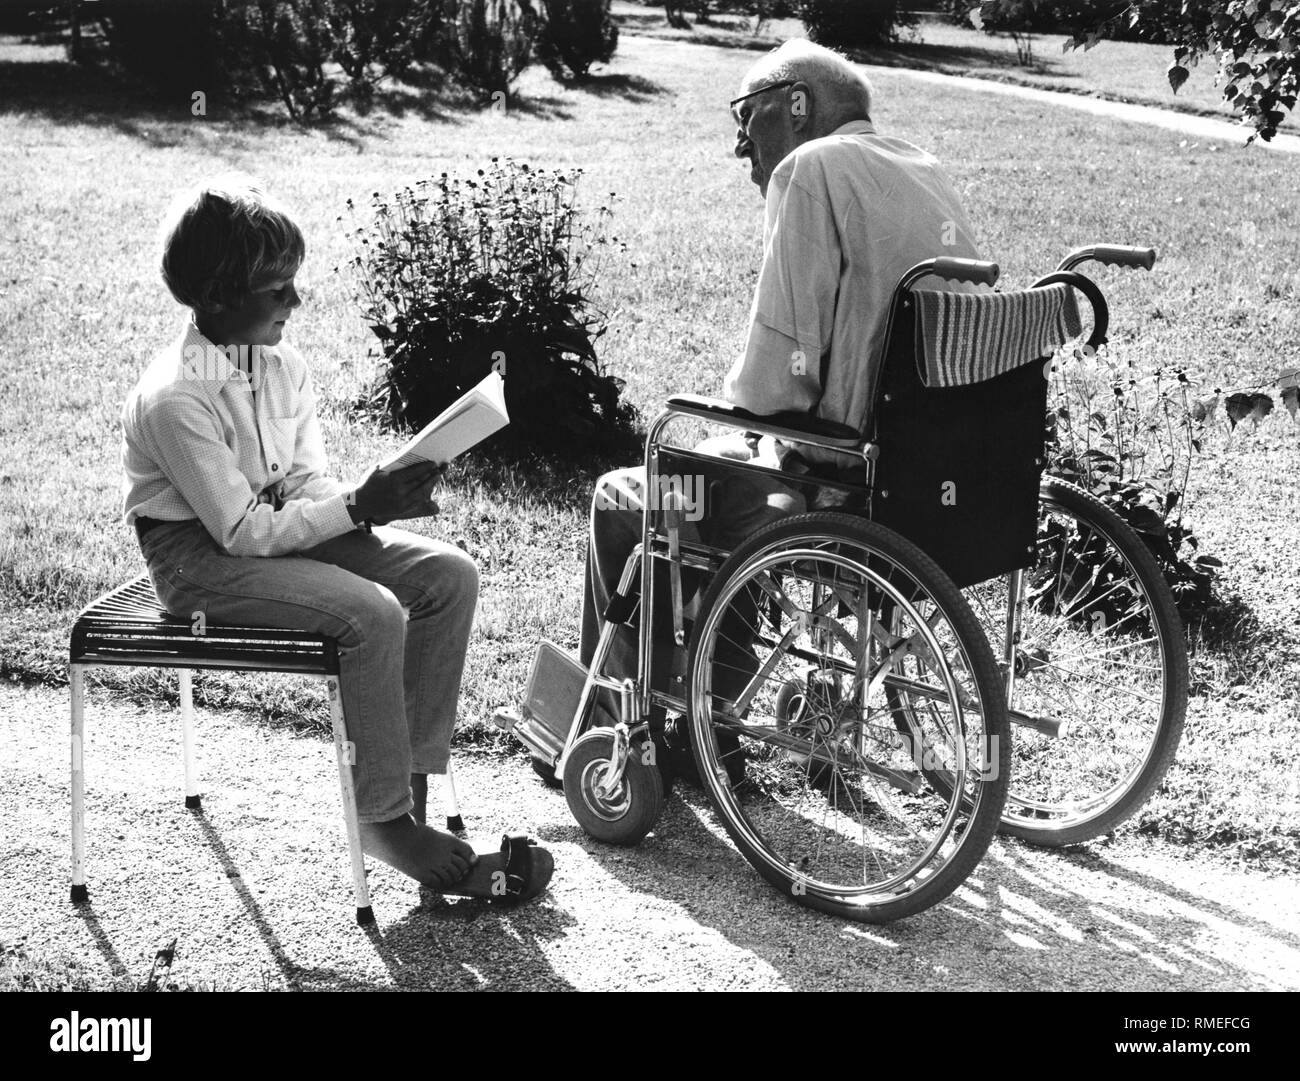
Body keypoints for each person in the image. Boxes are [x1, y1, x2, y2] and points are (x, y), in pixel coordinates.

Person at [122, 176, 552, 902]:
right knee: (372, 613)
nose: (296, 300)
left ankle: (406, 792)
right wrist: (355, 505)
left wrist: (374, 501)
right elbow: (240, 531)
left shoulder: (283, 366)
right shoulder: (174, 395)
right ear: (220, 297)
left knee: (450, 577)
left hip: (271, 531)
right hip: (198, 563)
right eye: (278, 287)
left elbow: (304, 485)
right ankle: (383, 822)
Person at [581, 39, 983, 722]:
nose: (741, 145)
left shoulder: (810, 167)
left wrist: (740, 422)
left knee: (631, 497)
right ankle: (708, 708)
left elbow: (770, 391)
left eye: (746, 116)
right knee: (724, 473)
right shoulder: (924, 169)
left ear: (797, 105)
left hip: (831, 487)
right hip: (932, 490)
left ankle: (621, 723)